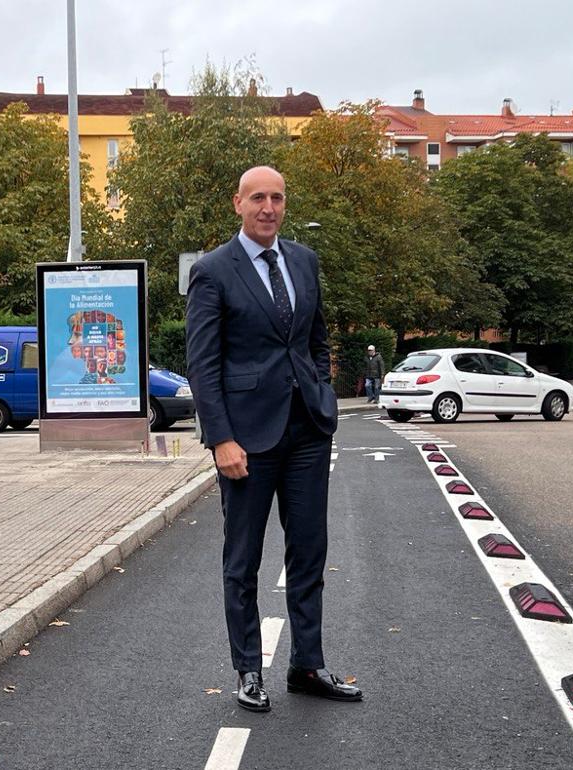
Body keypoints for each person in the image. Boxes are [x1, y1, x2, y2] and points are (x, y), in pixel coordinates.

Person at [185, 166, 362, 713]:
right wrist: (221, 439)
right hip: (247, 441)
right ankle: (247, 670)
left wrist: (322, 391)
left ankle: (307, 664)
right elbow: (202, 364)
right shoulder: (213, 271)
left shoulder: (304, 261)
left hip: (306, 430)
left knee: (310, 552)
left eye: (277, 198)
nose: (268, 207)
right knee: (244, 559)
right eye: (257, 197)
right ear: (237, 203)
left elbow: (316, 338)